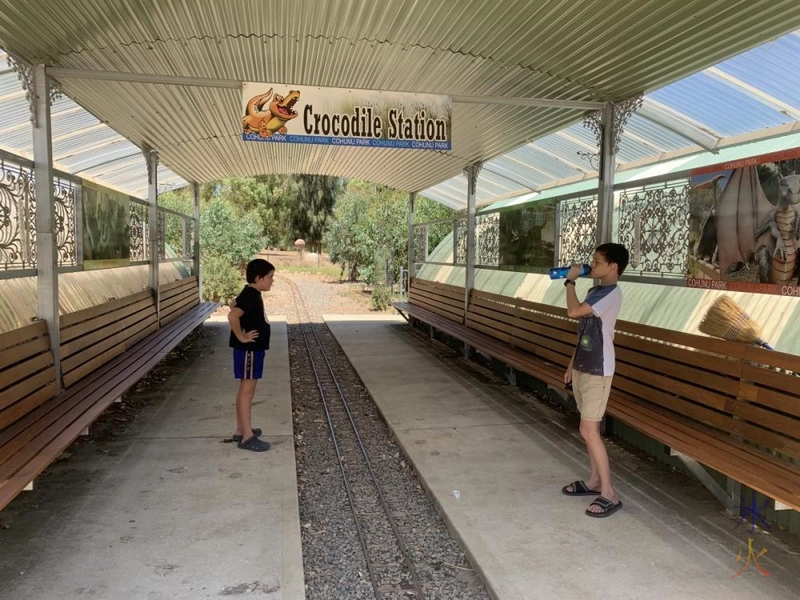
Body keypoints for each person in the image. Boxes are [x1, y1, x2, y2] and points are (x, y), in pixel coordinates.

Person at [561, 243, 629, 517]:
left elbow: (573, 312)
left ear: (613, 267)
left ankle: (609, 493)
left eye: (598, 261)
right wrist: (571, 364)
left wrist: (569, 281)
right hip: (583, 366)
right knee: (588, 430)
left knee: (589, 431)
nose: (593, 265)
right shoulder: (596, 291)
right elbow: (584, 331)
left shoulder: (611, 293)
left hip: (599, 369)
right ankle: (594, 481)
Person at [228, 258, 275, 452]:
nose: (272, 281)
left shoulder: (251, 293)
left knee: (245, 391)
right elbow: (233, 316)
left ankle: (242, 429)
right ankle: (247, 437)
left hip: (253, 350)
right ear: (258, 278)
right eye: (270, 277)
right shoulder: (250, 295)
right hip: (250, 350)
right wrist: (242, 336)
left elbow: (234, 307)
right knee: (247, 392)